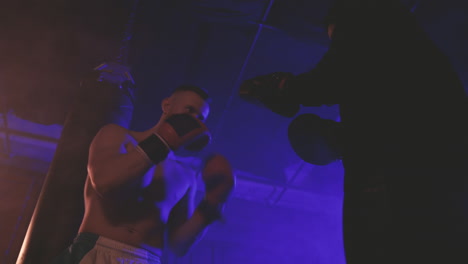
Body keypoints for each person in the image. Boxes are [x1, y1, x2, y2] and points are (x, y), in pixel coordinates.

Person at [239, 0, 467, 263]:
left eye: (334, 39)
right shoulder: (421, 62)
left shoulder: (367, 20)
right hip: (440, 184)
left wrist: (283, 88)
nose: (334, 47)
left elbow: (332, 74)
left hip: (402, 184)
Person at [52, 64, 236, 264]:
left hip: (148, 259)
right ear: (167, 106)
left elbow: (179, 245)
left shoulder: (186, 175)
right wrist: (163, 141)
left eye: (200, 118)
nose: (194, 120)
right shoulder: (118, 136)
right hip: (97, 250)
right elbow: (104, 182)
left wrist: (213, 203)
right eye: (189, 110)